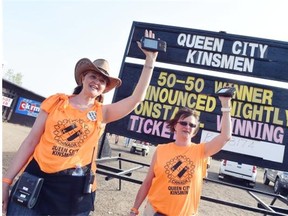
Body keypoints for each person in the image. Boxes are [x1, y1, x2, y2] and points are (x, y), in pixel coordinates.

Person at [2, 29, 159, 216]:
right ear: (83, 77)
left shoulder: (103, 112)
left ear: (104, 89)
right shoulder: (56, 102)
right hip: (36, 178)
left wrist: (150, 60)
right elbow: (31, 141)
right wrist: (6, 181)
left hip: (72, 190)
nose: (97, 82)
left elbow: (136, 99)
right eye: (93, 76)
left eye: (102, 80)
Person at [130, 95, 232, 216]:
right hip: (154, 212)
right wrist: (134, 209)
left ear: (195, 130)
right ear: (175, 126)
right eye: (183, 123)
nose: (187, 127)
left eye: (192, 125)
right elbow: (147, 182)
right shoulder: (161, 150)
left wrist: (225, 105)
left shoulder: (201, 151)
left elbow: (225, 136)